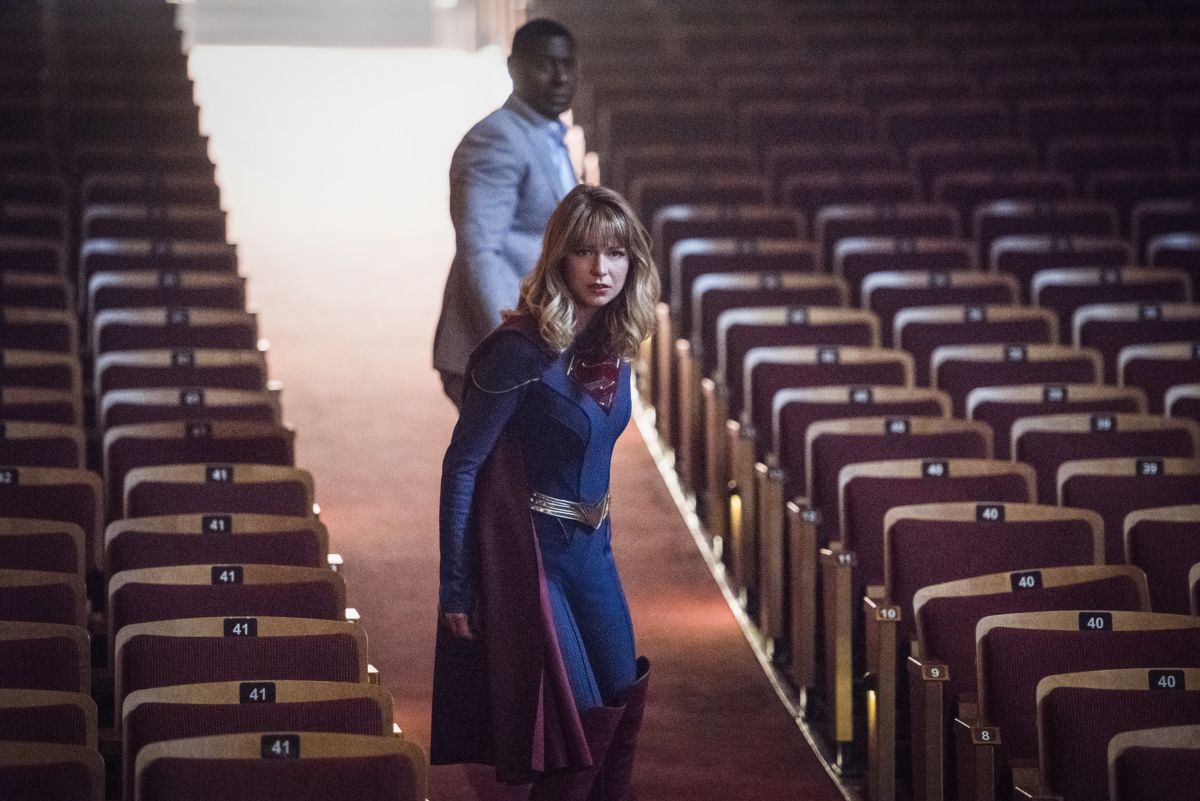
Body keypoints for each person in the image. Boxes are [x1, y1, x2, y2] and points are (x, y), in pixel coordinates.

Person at [430, 185, 659, 801]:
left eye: (616, 253)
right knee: (574, 739)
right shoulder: (517, 351)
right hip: (535, 561)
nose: (601, 268)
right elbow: (463, 466)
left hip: (595, 553)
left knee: (622, 711)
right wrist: (458, 586)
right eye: (585, 252)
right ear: (559, 257)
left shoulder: (615, 342)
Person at [433, 18, 580, 407]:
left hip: (539, 342)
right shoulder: (495, 140)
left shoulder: (547, 134)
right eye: (545, 65)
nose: (560, 77)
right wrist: (510, 353)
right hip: (499, 351)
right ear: (514, 68)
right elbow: (480, 254)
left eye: (567, 64)